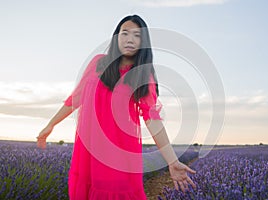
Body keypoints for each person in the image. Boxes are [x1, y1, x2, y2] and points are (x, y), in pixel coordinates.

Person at [37, 14, 196, 200]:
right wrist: (51, 124)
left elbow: (152, 119)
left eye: (137, 35)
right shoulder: (97, 63)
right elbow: (75, 99)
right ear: (116, 37)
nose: (130, 39)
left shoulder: (143, 76)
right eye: (125, 33)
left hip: (117, 155)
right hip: (87, 152)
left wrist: (172, 161)